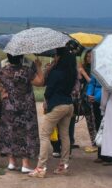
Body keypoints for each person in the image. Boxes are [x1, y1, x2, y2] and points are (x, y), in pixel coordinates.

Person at [0, 53, 44, 173]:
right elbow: (40, 82)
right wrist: (38, 67)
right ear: (21, 58)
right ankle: (25, 164)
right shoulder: (27, 71)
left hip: (8, 107)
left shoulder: (4, 70)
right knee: (26, 133)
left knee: (9, 131)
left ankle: (11, 162)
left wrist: (1, 90)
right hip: (26, 107)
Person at [29, 45, 77, 178]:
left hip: (56, 105)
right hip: (69, 105)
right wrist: (51, 68)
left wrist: (45, 69)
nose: (54, 57)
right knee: (65, 135)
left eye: (56, 55)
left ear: (59, 57)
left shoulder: (57, 72)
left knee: (44, 135)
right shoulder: (71, 71)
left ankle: (41, 168)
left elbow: (48, 89)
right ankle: (64, 166)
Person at [86, 75, 112, 165]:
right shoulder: (97, 70)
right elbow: (92, 82)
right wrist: (89, 94)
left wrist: (96, 97)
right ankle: (101, 154)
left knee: (109, 128)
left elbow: (107, 87)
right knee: (99, 126)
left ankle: (110, 157)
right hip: (96, 101)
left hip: (107, 100)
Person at [78, 49, 98, 153]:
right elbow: (81, 81)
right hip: (85, 97)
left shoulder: (96, 69)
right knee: (89, 122)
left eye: (91, 56)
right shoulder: (85, 67)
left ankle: (98, 144)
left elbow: (91, 81)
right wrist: (79, 71)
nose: (89, 58)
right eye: (87, 56)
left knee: (95, 121)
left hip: (94, 97)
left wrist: (83, 72)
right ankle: (93, 143)